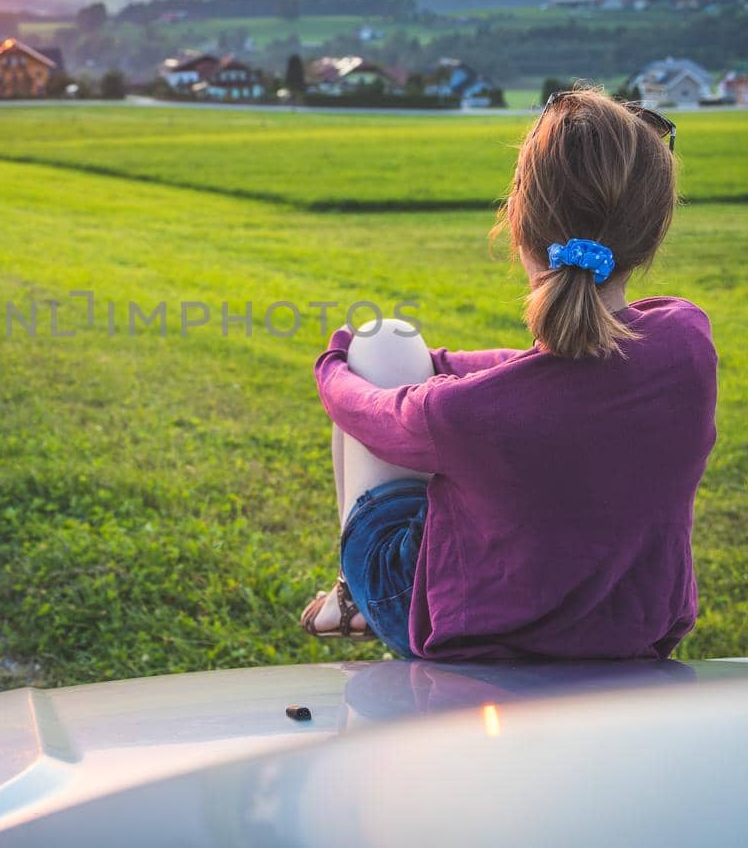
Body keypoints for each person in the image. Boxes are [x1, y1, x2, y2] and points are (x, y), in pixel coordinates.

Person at [300, 87, 717, 660]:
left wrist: (336, 361)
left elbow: (363, 409)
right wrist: (445, 367)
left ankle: (354, 594)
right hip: (630, 632)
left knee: (385, 342)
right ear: (650, 236)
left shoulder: (461, 416)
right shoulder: (687, 343)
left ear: (518, 222)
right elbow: (559, 380)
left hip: (469, 633)